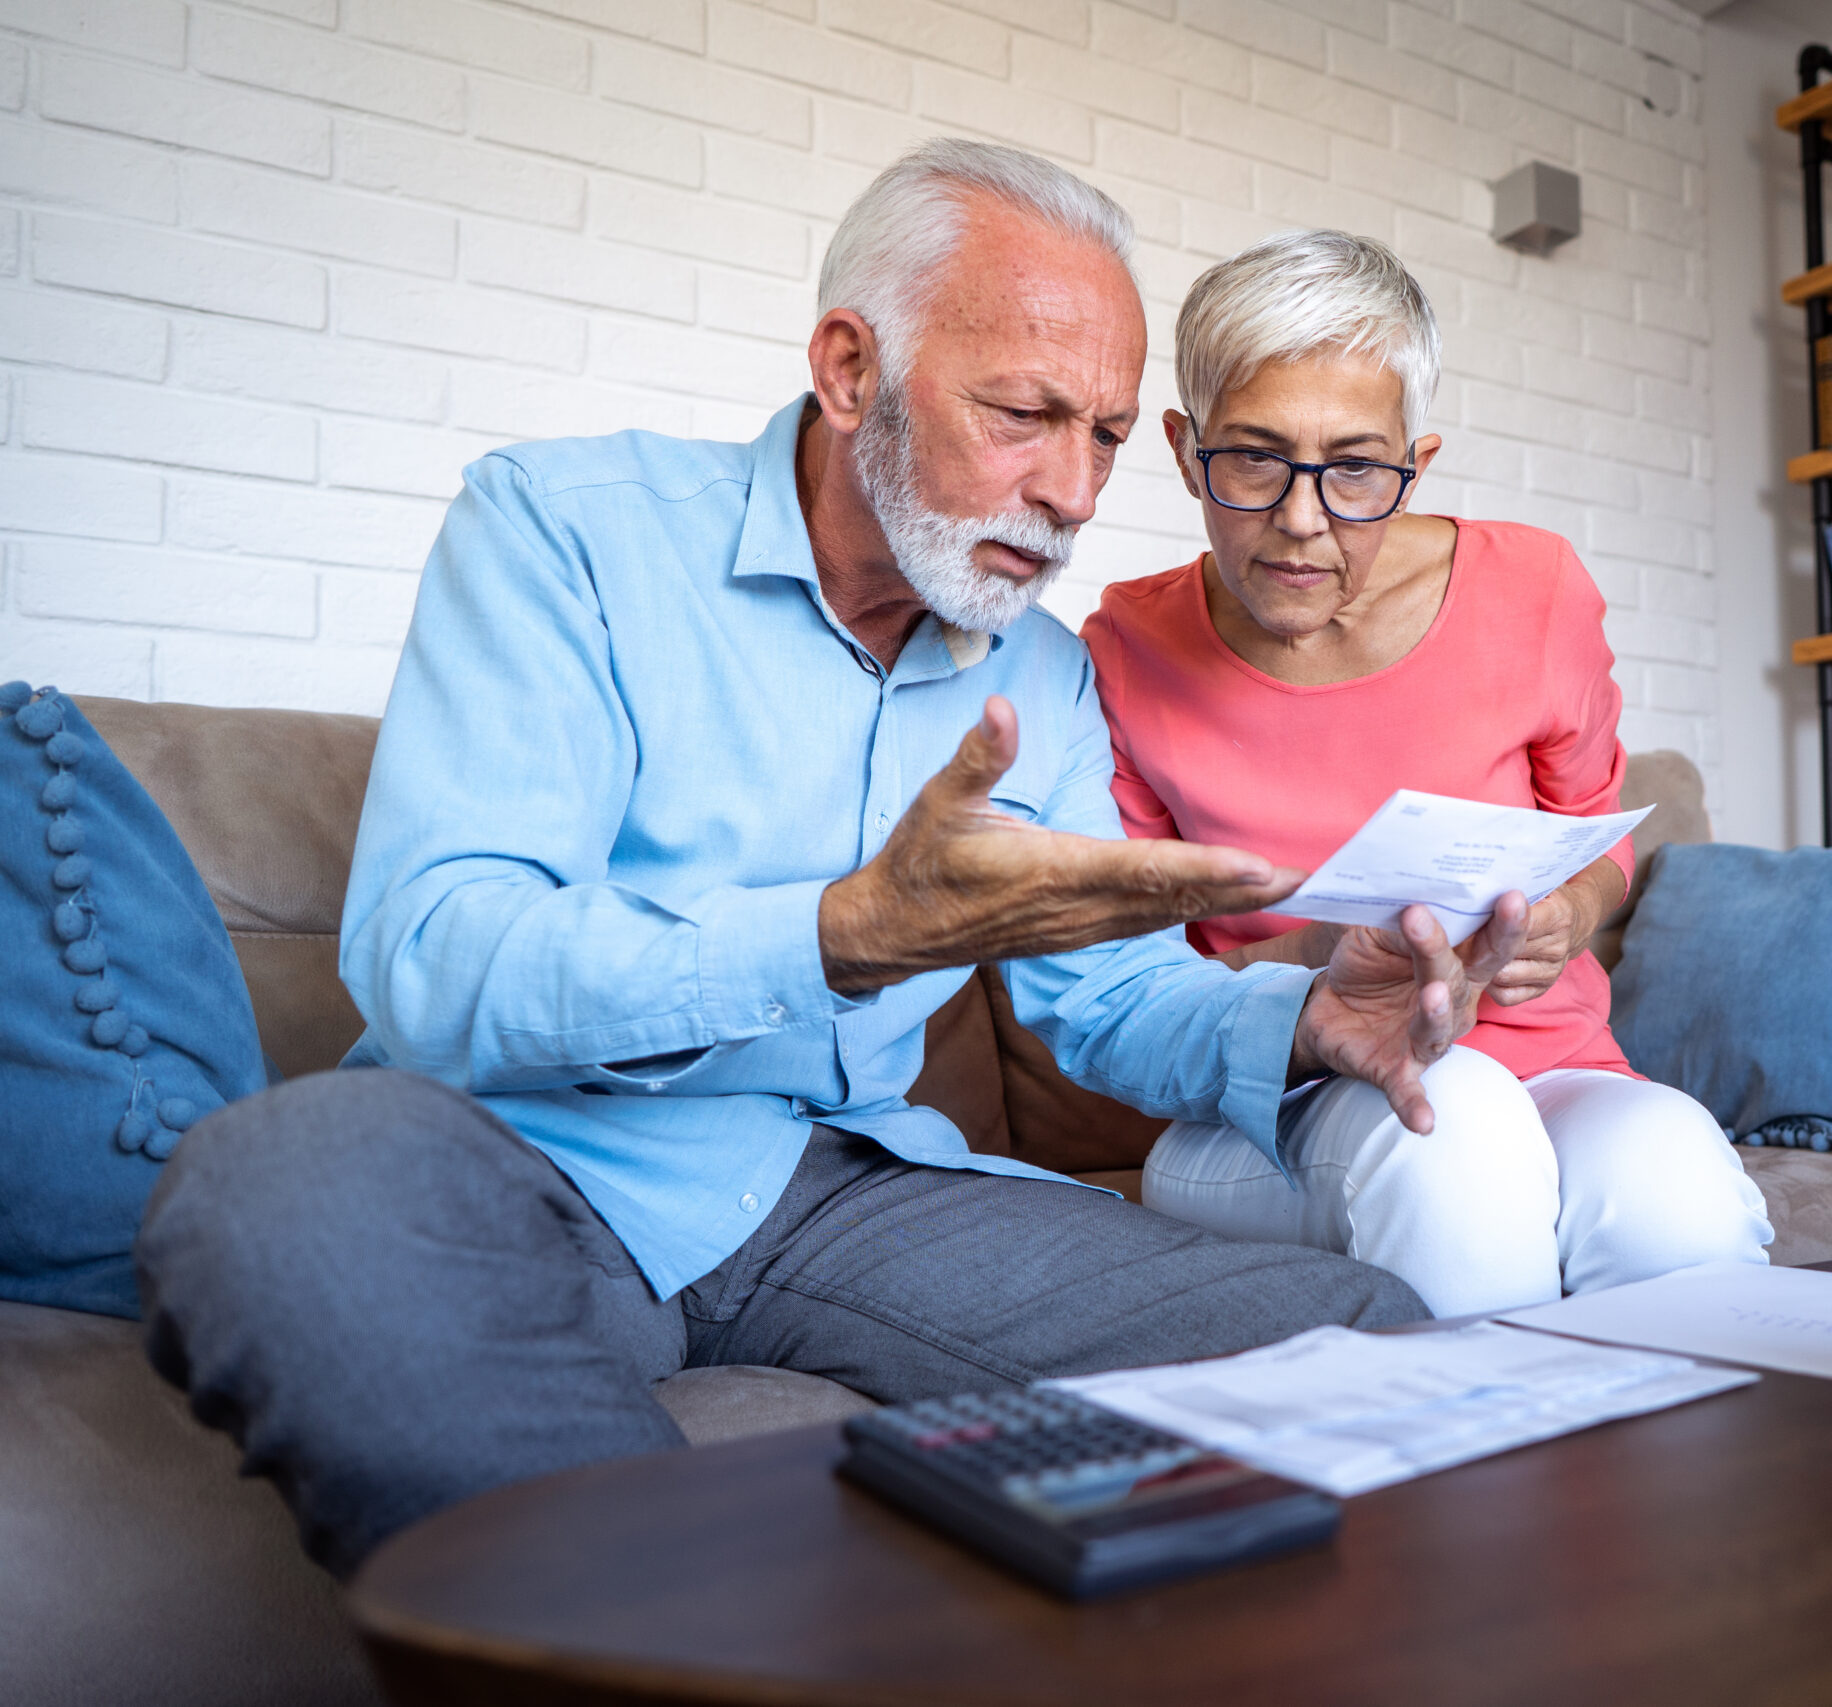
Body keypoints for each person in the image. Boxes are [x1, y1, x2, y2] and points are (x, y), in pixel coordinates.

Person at [134, 144, 1528, 1578]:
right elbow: (440, 953)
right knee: (281, 1180)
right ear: (852, 369)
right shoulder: (566, 534)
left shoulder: (1041, 676)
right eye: (1024, 414)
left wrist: (1304, 1017)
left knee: (1365, 1341)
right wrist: (832, 935)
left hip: (848, 1189)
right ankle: (660, 1645)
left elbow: (1103, 1000)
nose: (1073, 490)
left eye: (1107, 433)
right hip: (537, 1157)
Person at [1081, 231, 1773, 1318]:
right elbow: (1121, 989)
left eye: (1356, 468)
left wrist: (1566, 909)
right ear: (1183, 448)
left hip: (1556, 1066)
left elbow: (1600, 835)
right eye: (1253, 458)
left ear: (1417, 460)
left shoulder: (1534, 592)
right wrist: (1319, 958)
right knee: (1460, 1130)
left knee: (1674, 1189)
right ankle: (1473, 1482)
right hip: (1277, 1105)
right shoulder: (1124, 650)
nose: (1302, 520)